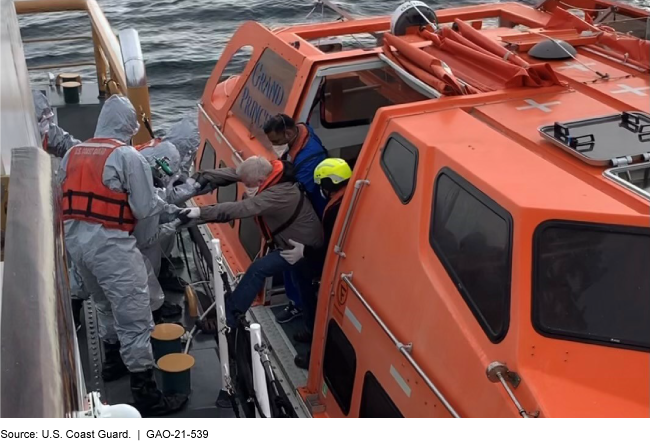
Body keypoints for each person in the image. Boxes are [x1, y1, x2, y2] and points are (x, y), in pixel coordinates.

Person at [59, 95, 187, 416]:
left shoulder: (73, 153)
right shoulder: (127, 156)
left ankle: (112, 362)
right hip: (111, 245)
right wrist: (160, 193)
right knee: (134, 315)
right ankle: (145, 394)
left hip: (76, 245)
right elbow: (143, 208)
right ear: (129, 126)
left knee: (102, 303)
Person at [181, 156, 323, 329]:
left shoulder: (278, 195)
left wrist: (198, 213)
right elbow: (235, 173)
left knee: (259, 269)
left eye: (248, 185)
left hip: (301, 247)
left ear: (261, 181)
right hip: (291, 241)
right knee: (303, 286)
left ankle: (228, 319)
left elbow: (242, 208)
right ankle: (311, 328)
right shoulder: (270, 172)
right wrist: (204, 176)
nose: (246, 187)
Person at [280, 158, 352, 369]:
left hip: (335, 267)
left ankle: (314, 351)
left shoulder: (335, 210)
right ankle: (311, 329)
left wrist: (306, 251)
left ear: (329, 184)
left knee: (318, 301)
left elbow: (331, 247)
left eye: (322, 184)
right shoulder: (350, 195)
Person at [263, 114, 328, 324]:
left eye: (277, 142)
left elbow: (300, 194)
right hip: (304, 211)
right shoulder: (301, 134)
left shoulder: (310, 159)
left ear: (288, 133)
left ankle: (298, 304)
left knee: (294, 260)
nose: (275, 146)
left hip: (307, 216)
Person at [32, 90, 81, 158]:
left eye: (46, 118)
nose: (46, 122)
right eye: (41, 120)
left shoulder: (48, 131)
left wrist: (85, 152)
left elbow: (65, 143)